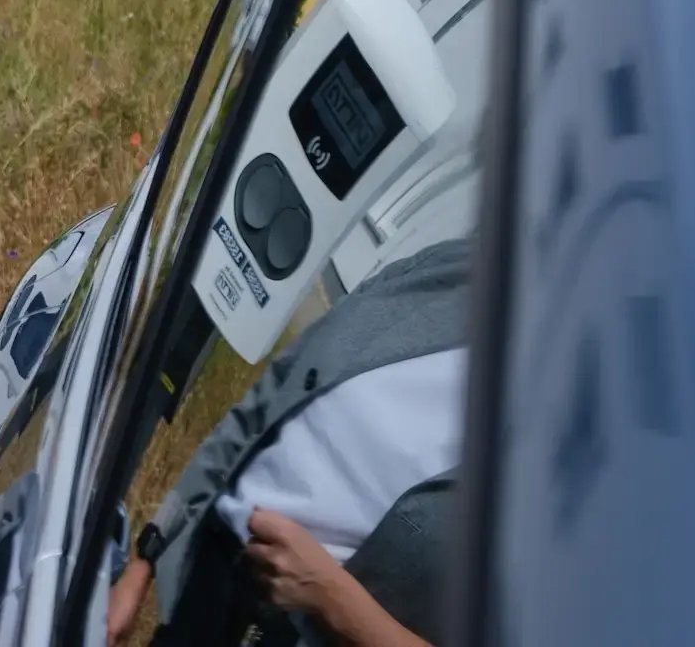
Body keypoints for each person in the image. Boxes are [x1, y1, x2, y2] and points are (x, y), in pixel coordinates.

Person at [107, 238, 472, 647]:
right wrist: (148, 556)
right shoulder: (461, 270)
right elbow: (277, 391)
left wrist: (331, 598)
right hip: (214, 565)